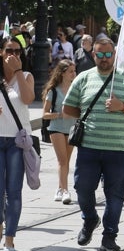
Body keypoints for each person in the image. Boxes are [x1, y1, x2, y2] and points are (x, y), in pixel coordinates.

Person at [62, 35, 124, 251]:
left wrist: (123, 106)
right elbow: (68, 108)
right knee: (82, 187)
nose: (105, 58)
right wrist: (88, 116)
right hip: (89, 145)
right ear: (94, 54)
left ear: (115, 55)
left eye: (109, 54)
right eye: (100, 54)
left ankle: (109, 236)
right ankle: (90, 219)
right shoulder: (84, 78)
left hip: (118, 147)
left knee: (115, 194)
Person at [1, 37, 36, 251]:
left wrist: (19, 72)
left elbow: (28, 99)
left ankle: (10, 237)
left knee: (13, 190)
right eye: (9, 50)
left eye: (18, 51)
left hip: (16, 141)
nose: (13, 54)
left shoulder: (26, 76)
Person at [41, 58, 77, 204]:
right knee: (62, 160)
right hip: (56, 128)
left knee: (66, 162)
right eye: (70, 71)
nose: (74, 74)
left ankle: (59, 188)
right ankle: (65, 191)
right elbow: (44, 113)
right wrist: (60, 114)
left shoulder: (76, 89)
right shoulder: (53, 91)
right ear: (62, 73)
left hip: (72, 128)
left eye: (74, 71)